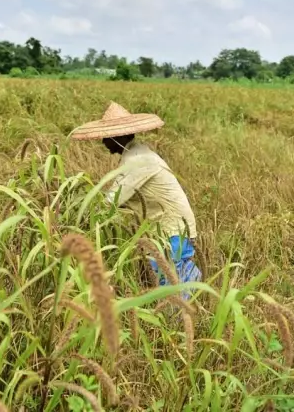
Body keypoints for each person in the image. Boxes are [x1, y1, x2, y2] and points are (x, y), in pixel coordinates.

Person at [70, 101, 201, 299]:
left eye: (107, 137)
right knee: (180, 279)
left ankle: (183, 324)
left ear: (118, 137)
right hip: (171, 229)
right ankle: (195, 310)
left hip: (171, 231)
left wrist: (79, 212)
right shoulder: (136, 153)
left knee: (171, 288)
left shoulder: (137, 160)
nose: (103, 142)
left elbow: (111, 202)